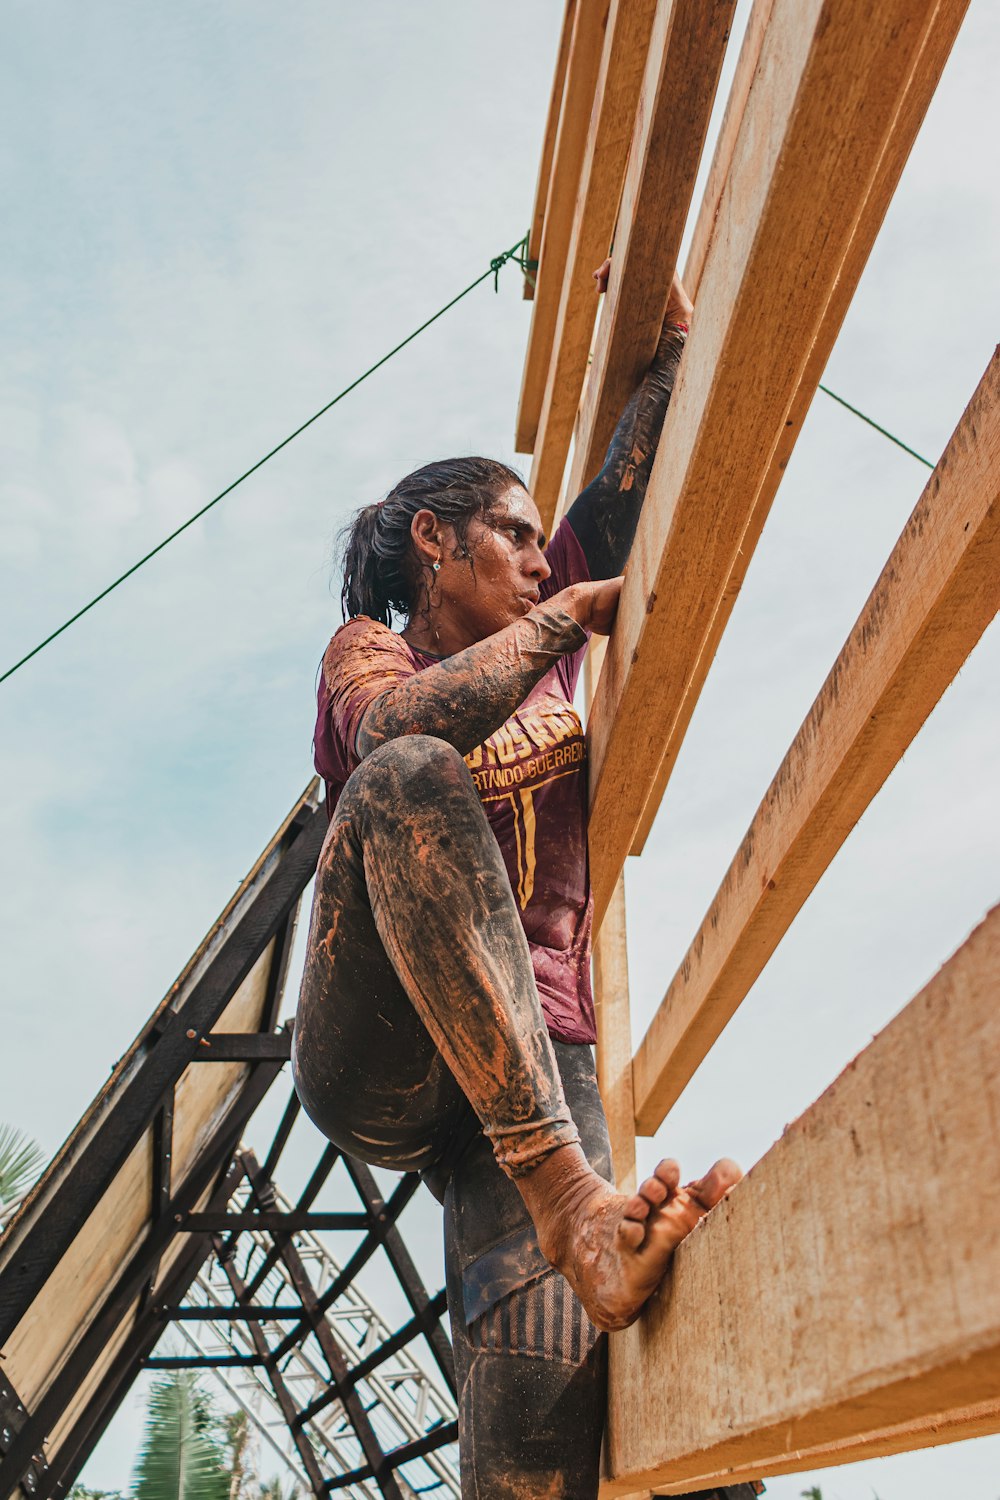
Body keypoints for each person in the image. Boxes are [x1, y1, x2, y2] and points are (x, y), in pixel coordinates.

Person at [293, 264, 750, 1498]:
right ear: (433, 543)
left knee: (566, 1400)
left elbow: (623, 487)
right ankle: (567, 1201)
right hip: (383, 1044)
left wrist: (665, 349)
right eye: (510, 534)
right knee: (408, 779)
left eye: (542, 550)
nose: (541, 564)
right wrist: (552, 631)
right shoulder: (373, 649)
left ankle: (581, 1226)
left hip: (534, 1058)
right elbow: (392, 735)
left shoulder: (538, 607)